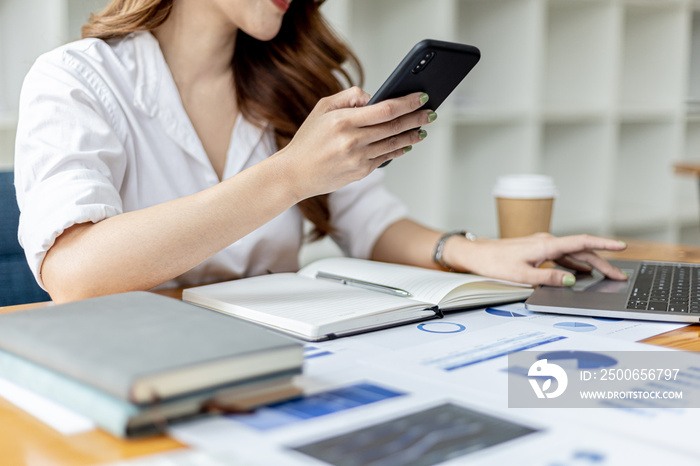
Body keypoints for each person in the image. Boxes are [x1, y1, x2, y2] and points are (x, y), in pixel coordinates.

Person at [14, 0, 627, 304]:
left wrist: (478, 254)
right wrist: (288, 177)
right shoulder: (77, 79)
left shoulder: (291, 84)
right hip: (140, 367)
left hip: (279, 350)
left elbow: (369, 222)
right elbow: (76, 274)